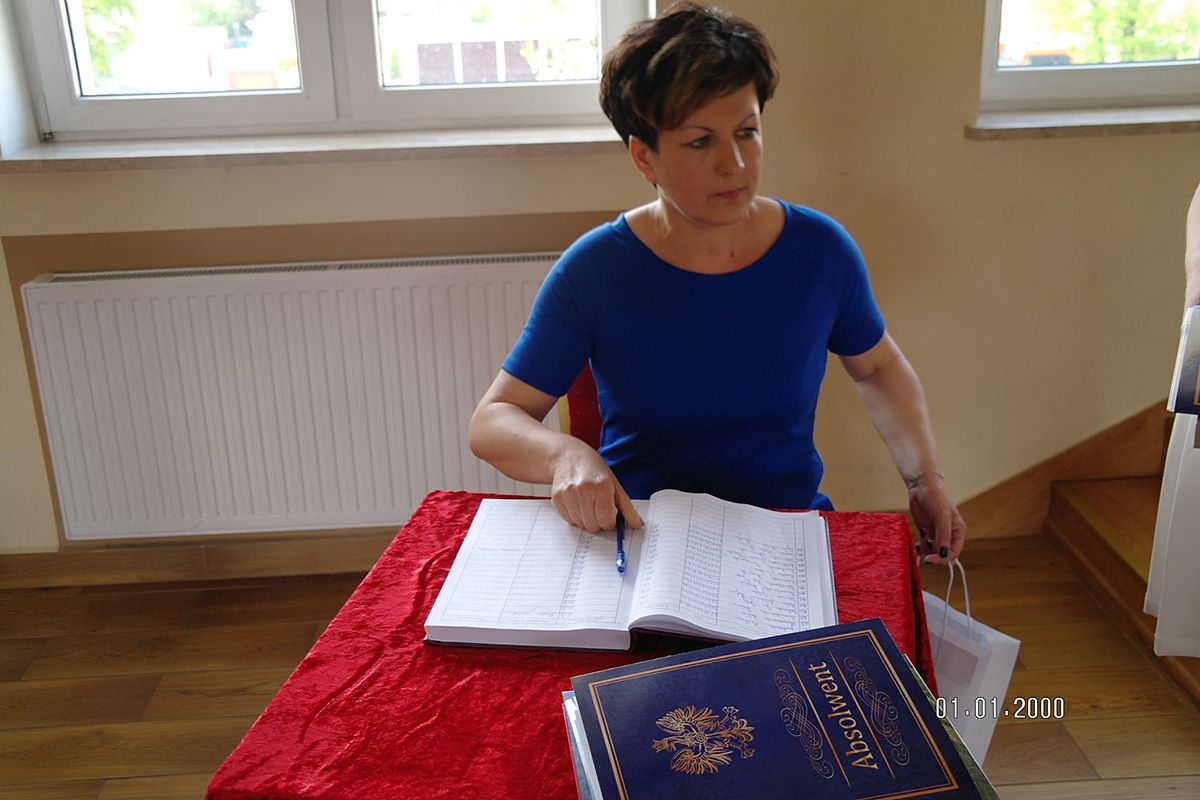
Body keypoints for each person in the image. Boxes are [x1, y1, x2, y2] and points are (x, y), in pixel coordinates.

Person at [468, 2, 965, 564]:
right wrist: (564, 456)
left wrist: (923, 478)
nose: (735, 164)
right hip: (642, 537)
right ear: (644, 157)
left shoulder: (820, 252)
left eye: (747, 132)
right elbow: (493, 420)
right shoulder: (595, 270)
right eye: (700, 141)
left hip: (785, 534)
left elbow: (876, 367)